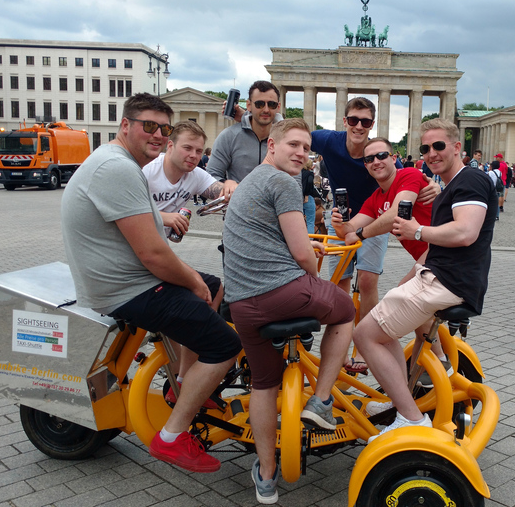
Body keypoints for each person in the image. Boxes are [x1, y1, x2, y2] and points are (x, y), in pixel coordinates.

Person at [61, 93, 241, 473]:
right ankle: (172, 437)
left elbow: (156, 244)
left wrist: (195, 280)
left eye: (162, 127)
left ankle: (185, 383)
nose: (157, 134)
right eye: (149, 126)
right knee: (225, 343)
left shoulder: (118, 162)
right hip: (124, 288)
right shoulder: (118, 169)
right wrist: (190, 281)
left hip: (125, 278)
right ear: (125, 125)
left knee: (211, 285)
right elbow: (154, 255)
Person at [222, 119, 356, 504]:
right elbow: (302, 253)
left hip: (242, 303)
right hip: (281, 292)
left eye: (307, 148)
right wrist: (314, 276)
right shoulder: (284, 182)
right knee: (345, 309)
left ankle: (266, 477)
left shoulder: (251, 180)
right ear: (272, 147)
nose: (301, 153)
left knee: (264, 384)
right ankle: (322, 401)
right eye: (293, 145)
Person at [354, 118, 497, 442]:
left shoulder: (469, 180)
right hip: (443, 276)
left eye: (439, 146)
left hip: (446, 280)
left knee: (365, 335)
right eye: (425, 148)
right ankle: (403, 396)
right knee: (384, 326)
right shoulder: (452, 185)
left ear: (457, 147)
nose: (431, 153)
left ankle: (410, 417)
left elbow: (465, 232)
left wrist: (416, 230)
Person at [330, 137, 437, 377]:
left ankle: (438, 362)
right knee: (413, 306)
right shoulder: (375, 198)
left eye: (381, 155)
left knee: (403, 292)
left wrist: (360, 233)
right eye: (369, 159)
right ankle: (425, 367)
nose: (376, 161)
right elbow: (348, 233)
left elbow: (398, 213)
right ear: (365, 166)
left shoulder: (408, 175)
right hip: (428, 256)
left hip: (441, 250)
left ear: (393, 158)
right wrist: (341, 222)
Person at [143, 120, 226, 406]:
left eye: (199, 151)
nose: (193, 155)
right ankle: (185, 377)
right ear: (170, 146)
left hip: (160, 254)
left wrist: (230, 188)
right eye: (187, 148)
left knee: (213, 288)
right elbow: (126, 208)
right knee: (200, 292)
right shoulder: (147, 173)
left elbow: (216, 190)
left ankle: (183, 379)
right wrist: (163, 216)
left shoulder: (195, 175)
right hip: (137, 259)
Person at [207, 80, 284, 200]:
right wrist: (226, 185)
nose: (266, 109)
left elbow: (295, 179)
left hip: (275, 213)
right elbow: (209, 178)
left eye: (272, 104)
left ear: (278, 107)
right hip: (238, 212)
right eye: (259, 104)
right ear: (249, 105)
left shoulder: (284, 139)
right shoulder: (229, 136)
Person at [301, 160, 317, 233]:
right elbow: (310, 182)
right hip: (308, 198)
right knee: (310, 222)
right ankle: (310, 240)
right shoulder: (309, 174)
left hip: (299, 198)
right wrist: (307, 194)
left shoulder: (299, 173)